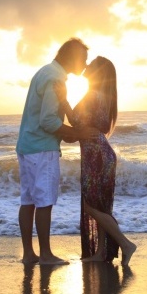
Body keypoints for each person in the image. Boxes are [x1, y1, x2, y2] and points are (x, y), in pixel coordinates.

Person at [16, 38, 99, 265]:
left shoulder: (44, 72)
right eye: (83, 59)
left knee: (28, 200)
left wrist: (71, 131)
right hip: (42, 148)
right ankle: (45, 255)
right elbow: (48, 121)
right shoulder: (56, 78)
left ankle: (29, 254)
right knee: (44, 202)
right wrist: (79, 134)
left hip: (27, 145)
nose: (85, 64)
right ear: (72, 58)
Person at [56, 56, 137, 265]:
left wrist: (63, 101)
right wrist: (73, 134)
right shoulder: (100, 95)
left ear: (98, 71)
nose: (87, 65)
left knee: (91, 206)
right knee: (100, 206)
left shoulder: (94, 94)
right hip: (100, 154)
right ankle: (101, 253)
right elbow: (84, 127)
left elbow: (77, 121)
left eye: (91, 64)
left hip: (97, 156)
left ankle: (126, 244)